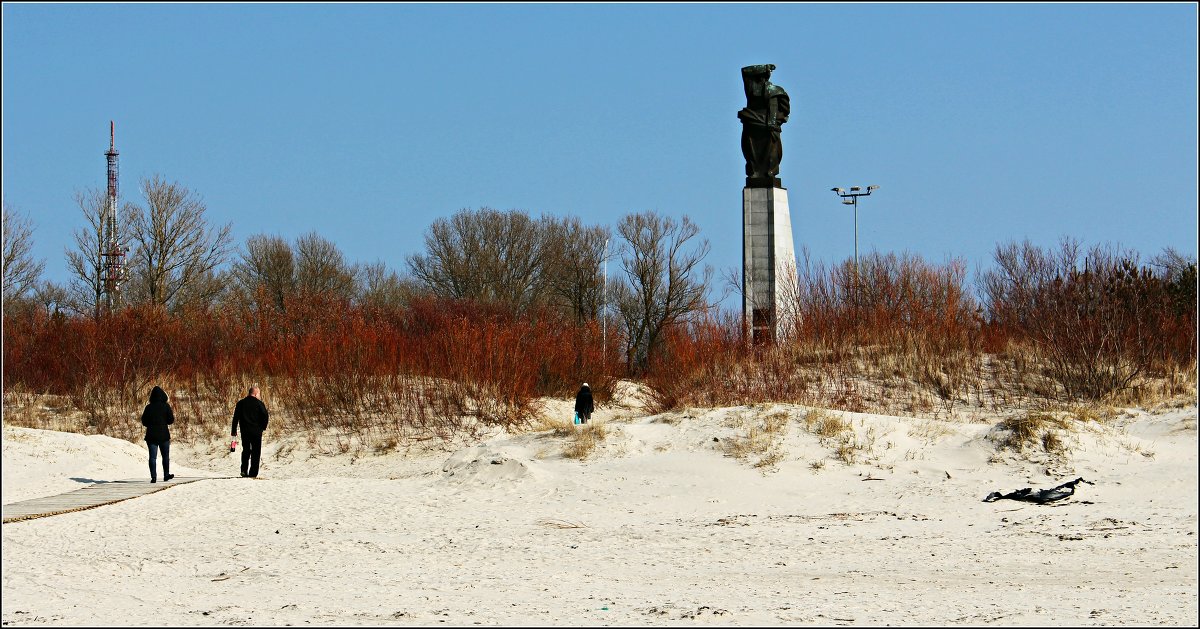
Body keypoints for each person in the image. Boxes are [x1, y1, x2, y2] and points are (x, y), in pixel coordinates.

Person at [737, 63, 790, 188]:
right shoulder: (752, 89)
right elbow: (745, 71)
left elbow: (780, 110)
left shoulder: (775, 90)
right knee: (752, 151)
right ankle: (754, 171)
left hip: (769, 127)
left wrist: (773, 123)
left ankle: (770, 172)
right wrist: (765, 67)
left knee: (771, 152)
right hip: (753, 125)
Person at [231, 385, 270, 478]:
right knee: (256, 452)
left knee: (246, 451)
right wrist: (263, 427)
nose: (259, 395)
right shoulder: (259, 403)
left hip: (245, 431)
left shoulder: (241, 403)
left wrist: (234, 430)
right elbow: (265, 415)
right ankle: (253, 473)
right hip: (256, 432)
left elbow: (235, 417)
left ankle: (244, 470)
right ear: (256, 393)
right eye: (259, 393)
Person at [141, 385, 175, 483]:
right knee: (165, 456)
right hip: (164, 435)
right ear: (163, 395)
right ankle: (166, 475)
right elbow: (171, 420)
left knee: (152, 457)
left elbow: (144, 422)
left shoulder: (148, 407)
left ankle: (153, 477)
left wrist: (151, 424)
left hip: (151, 435)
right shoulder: (166, 406)